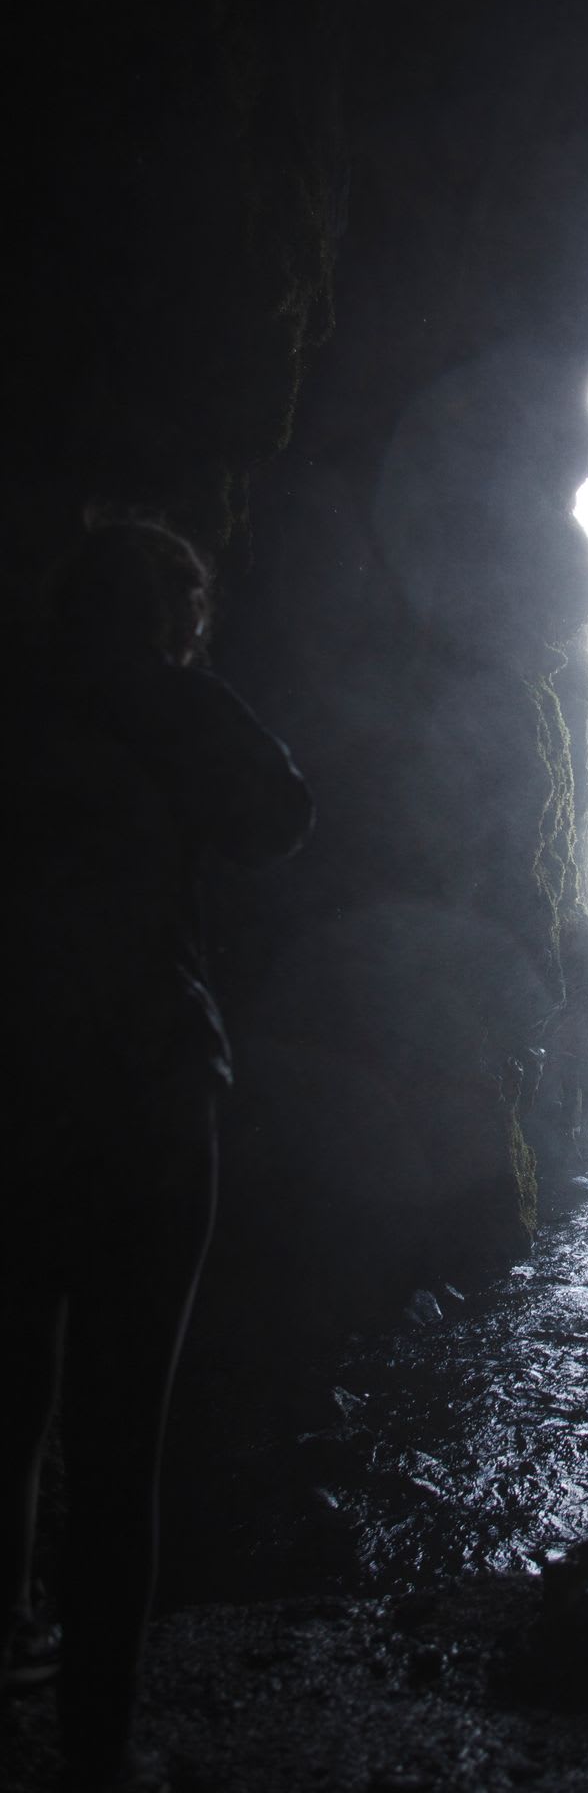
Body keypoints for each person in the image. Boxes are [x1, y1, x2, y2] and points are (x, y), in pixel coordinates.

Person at [1, 515, 313, 1791]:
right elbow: (281, 815)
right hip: (145, 1096)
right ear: (172, 620)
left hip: (10, 1093)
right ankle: (97, 1748)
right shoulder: (168, 706)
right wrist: (175, 689)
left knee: (9, 1409)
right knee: (122, 1436)